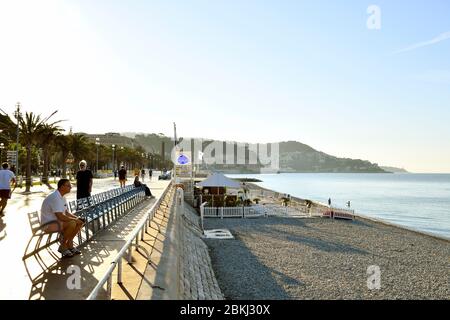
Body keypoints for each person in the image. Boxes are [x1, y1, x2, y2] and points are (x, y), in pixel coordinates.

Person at [40, 179, 85, 258]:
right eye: (68, 185)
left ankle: (69, 244)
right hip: (48, 224)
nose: (70, 187)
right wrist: (75, 220)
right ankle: (63, 246)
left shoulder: (62, 197)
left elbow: (66, 212)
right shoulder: (55, 197)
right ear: (61, 187)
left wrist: (77, 218)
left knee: (79, 222)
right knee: (72, 223)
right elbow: (60, 216)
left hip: (57, 222)